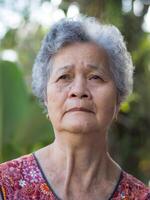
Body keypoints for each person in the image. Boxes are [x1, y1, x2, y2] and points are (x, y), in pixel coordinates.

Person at [0, 16, 150, 200]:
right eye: (64, 77)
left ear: (118, 98)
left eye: (95, 77)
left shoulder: (140, 197)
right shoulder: (5, 185)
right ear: (46, 97)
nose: (79, 91)